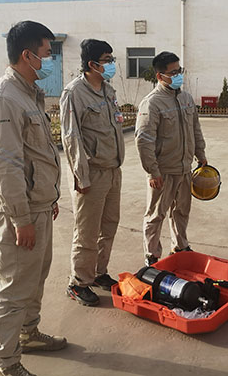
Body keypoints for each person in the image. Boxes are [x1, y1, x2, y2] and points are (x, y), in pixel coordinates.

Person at [0, 20, 66, 376]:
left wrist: (48, 197)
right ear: (28, 55)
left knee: (34, 278)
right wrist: (21, 218)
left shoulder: (29, 94)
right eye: (47, 53)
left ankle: (28, 333)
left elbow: (35, 155)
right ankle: (6, 361)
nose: (50, 60)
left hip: (37, 206)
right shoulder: (3, 99)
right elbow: (5, 166)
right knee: (14, 287)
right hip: (18, 213)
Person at [60, 39, 125, 306]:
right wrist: (81, 176)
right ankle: (78, 282)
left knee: (108, 226)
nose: (111, 65)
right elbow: (71, 137)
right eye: (107, 60)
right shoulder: (74, 93)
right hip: (91, 173)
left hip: (112, 170)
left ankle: (98, 272)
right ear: (92, 64)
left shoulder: (108, 90)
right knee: (87, 231)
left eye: (111, 59)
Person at [135, 51, 207, 266]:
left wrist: (201, 154)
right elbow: (144, 140)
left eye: (179, 71)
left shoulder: (186, 99)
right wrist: (152, 171)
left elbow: (195, 129)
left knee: (181, 211)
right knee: (156, 214)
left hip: (184, 167)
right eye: (173, 72)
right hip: (163, 170)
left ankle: (180, 245)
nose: (178, 76)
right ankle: (152, 255)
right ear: (160, 76)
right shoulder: (152, 103)